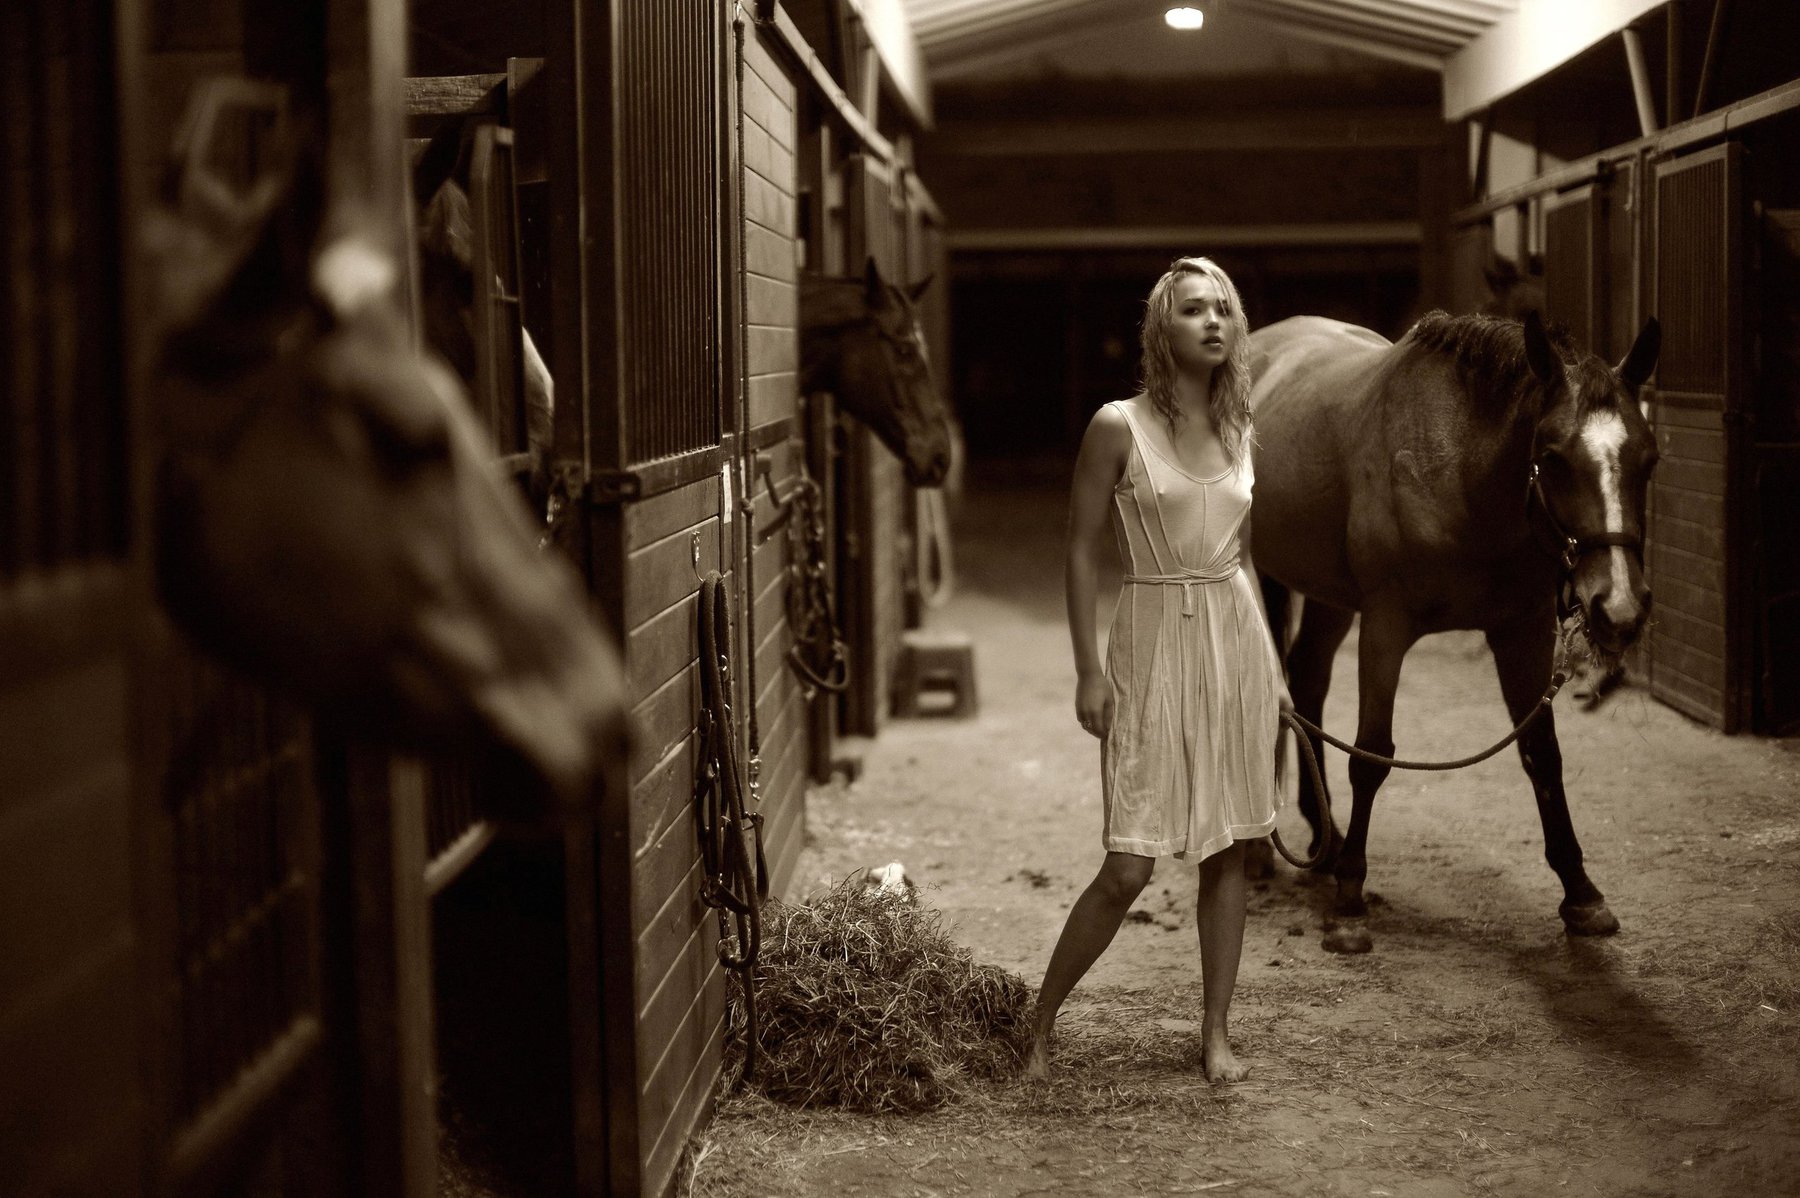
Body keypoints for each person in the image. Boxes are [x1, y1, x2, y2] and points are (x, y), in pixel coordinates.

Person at [1027, 256, 1290, 1085]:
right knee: (1129, 865)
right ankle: (1040, 1023)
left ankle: (1214, 1035)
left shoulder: (1244, 429)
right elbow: (1075, 548)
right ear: (1160, 329)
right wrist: (1086, 672)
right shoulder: (1118, 425)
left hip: (1233, 637)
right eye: (1193, 311)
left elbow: (1243, 558)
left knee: (1230, 850)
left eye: (1224, 309)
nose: (1214, 322)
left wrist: (1273, 672)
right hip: (1148, 632)